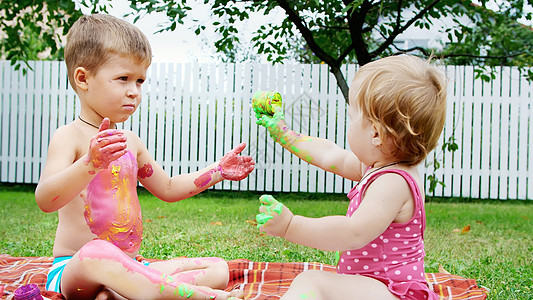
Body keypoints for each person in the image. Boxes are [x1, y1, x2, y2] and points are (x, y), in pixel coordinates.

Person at [35, 14, 253, 300]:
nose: (134, 92)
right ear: (83, 78)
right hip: (76, 271)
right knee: (97, 252)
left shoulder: (131, 143)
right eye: (123, 79)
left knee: (218, 269)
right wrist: (91, 163)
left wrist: (218, 171)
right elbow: (45, 200)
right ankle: (197, 295)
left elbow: (168, 188)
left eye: (139, 81)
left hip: (130, 268)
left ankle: (121, 294)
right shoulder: (69, 137)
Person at [254, 55, 446, 299]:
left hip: (393, 292)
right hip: (372, 286)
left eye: (352, 117)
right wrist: (285, 135)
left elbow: (353, 233)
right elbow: (330, 155)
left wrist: (291, 226)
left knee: (313, 282)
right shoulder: (375, 166)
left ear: (375, 134)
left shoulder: (393, 182)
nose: (349, 123)